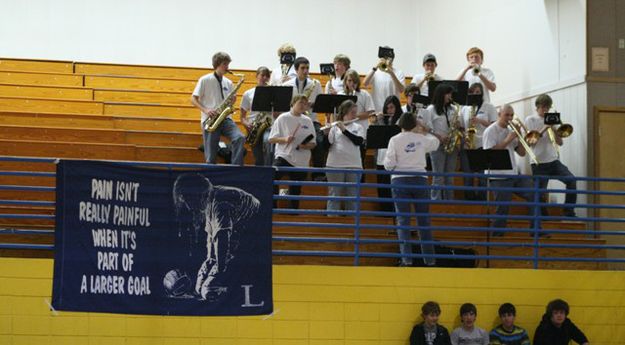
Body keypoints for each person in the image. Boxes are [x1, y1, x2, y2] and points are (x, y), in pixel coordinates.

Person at [171, 173, 260, 301]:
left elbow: (222, 237)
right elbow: (211, 235)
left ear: (198, 195)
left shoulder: (220, 203)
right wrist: (209, 259)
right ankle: (210, 284)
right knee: (208, 269)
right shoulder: (209, 200)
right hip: (243, 223)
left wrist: (219, 268)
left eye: (189, 201)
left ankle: (215, 285)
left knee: (222, 260)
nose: (189, 207)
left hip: (252, 223)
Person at [384, 112, 439, 266]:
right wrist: (424, 130)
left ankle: (406, 260)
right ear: (415, 124)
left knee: (403, 221)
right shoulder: (421, 139)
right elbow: (436, 143)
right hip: (420, 180)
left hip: (400, 180)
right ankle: (429, 260)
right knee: (424, 221)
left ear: (400, 124)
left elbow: (388, 165)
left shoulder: (394, 140)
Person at [482, 104, 541, 236]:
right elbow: (490, 153)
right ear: (499, 115)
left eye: (511, 115)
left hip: (514, 173)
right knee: (502, 208)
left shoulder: (511, 130)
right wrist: (508, 139)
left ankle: (536, 230)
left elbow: (521, 153)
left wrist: (521, 138)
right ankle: (497, 237)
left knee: (534, 194)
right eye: (506, 115)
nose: (509, 118)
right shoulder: (490, 131)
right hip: (498, 177)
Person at [525, 94, 577, 217]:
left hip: (553, 160)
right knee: (540, 192)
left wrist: (554, 128)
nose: (545, 110)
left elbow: (560, 142)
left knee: (572, 180)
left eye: (547, 108)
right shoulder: (530, 119)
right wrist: (545, 128)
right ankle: (543, 218)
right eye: (543, 107)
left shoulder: (551, 119)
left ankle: (568, 211)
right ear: (537, 107)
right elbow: (530, 142)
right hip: (538, 162)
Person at [191, 52, 245, 165]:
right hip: (210, 120)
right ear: (217, 64)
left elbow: (230, 102)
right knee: (211, 156)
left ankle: (235, 168)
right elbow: (193, 99)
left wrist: (232, 101)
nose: (227, 67)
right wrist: (206, 110)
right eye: (225, 64)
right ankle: (211, 175)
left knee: (239, 137)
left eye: (228, 64)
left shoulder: (228, 82)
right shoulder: (205, 79)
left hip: (225, 118)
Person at [268, 95, 316, 209]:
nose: (303, 106)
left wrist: (305, 145)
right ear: (293, 103)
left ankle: (293, 213)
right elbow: (271, 139)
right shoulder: (283, 118)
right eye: (301, 103)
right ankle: (272, 208)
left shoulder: (308, 120)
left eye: (305, 104)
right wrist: (284, 139)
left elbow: (313, 143)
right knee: (271, 177)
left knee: (296, 188)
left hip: (301, 159)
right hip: (284, 156)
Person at [283, 57, 325, 180]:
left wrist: (312, 104)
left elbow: (320, 104)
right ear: (296, 70)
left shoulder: (315, 84)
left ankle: (317, 174)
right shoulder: (287, 85)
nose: (306, 71)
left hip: (311, 119)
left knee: (320, 141)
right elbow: (285, 104)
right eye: (302, 68)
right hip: (293, 120)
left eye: (307, 68)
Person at [323, 100, 365, 215]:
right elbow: (326, 146)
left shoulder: (359, 127)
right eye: (352, 112)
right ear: (345, 112)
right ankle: (333, 224)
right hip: (334, 165)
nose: (354, 115)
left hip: (354, 166)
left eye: (355, 112)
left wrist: (344, 130)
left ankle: (351, 225)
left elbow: (358, 141)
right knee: (334, 196)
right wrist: (326, 134)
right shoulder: (334, 127)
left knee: (352, 197)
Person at [459, 83, 497, 200]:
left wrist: (479, 120)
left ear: (482, 93)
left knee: (482, 176)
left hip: (482, 145)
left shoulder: (489, 107)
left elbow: (494, 124)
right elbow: (460, 126)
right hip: (468, 145)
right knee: (468, 177)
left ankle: (481, 200)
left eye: (477, 92)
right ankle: (469, 201)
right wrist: (463, 135)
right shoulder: (465, 108)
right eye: (472, 92)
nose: (475, 94)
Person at [427, 84, 460, 200]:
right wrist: (439, 136)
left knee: (449, 178)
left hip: (452, 145)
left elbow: (456, 126)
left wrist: (458, 127)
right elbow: (426, 128)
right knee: (438, 177)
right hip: (437, 146)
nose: (450, 96)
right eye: (448, 94)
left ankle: (449, 203)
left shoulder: (453, 109)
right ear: (441, 94)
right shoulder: (431, 109)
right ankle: (435, 203)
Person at [339, 68, 375, 168]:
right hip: (344, 131)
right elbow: (338, 115)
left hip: (361, 131)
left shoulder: (364, 94)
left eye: (354, 81)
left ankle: (360, 182)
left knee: (360, 160)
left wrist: (353, 116)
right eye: (349, 80)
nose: (352, 83)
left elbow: (370, 112)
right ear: (345, 81)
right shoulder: (340, 95)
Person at [240, 66, 274, 166]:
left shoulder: (274, 93)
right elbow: (242, 116)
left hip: (269, 126)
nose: (265, 78)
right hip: (254, 127)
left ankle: (268, 170)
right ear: (257, 76)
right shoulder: (248, 93)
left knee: (268, 142)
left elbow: (277, 113)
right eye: (262, 75)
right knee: (258, 156)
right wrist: (246, 123)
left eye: (267, 76)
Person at [375, 95, 403, 215]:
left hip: (394, 160)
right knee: (381, 187)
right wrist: (377, 122)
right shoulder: (384, 120)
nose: (389, 111)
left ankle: (391, 212)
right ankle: (383, 212)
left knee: (390, 187)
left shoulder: (400, 120)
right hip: (381, 157)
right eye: (387, 108)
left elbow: (389, 134)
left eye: (392, 108)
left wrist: (381, 121)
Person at [363, 47, 406, 112]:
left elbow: (401, 90)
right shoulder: (375, 71)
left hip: (393, 110)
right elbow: (365, 83)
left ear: (392, 59)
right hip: (377, 109)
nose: (385, 60)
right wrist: (376, 67)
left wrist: (391, 73)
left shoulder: (399, 72)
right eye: (384, 58)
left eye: (387, 58)